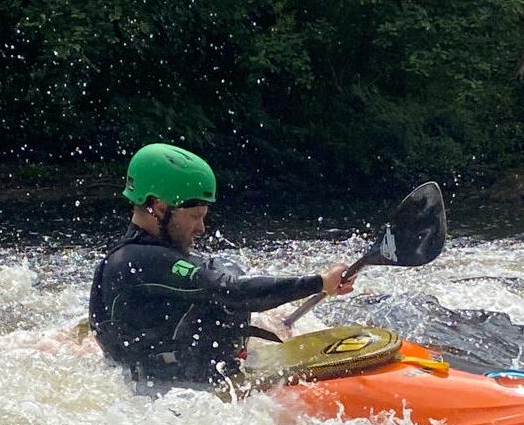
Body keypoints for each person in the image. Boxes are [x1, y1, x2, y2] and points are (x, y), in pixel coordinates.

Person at [89, 143, 355, 387]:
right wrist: (320, 282)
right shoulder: (138, 261)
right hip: (177, 399)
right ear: (158, 207)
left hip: (177, 382)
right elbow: (232, 291)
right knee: (224, 281)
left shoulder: (143, 257)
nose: (201, 228)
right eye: (195, 216)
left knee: (224, 265)